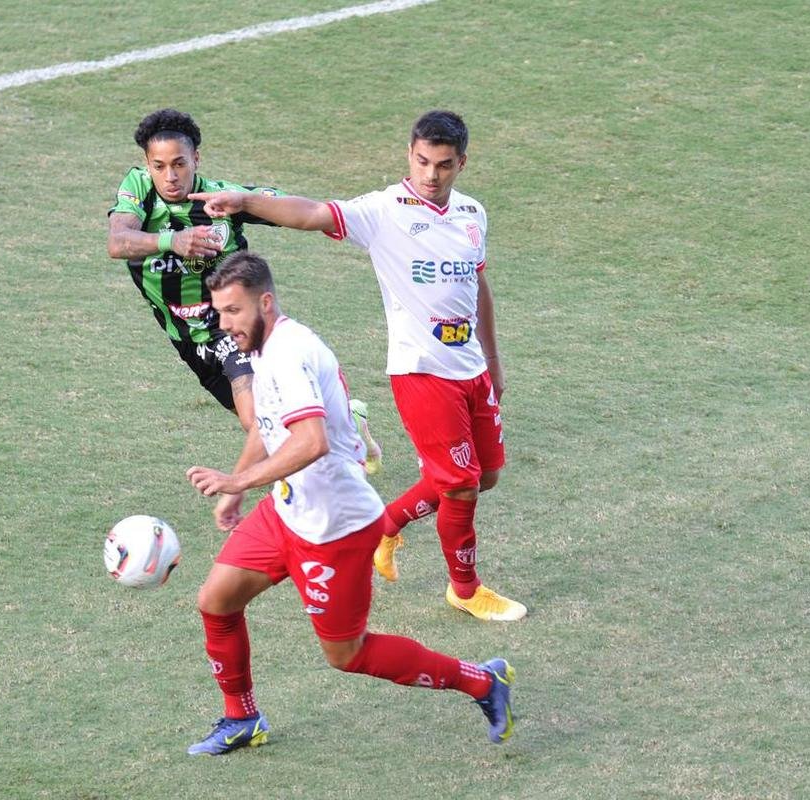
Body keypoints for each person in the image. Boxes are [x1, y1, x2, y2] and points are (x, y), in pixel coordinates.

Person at [193, 110, 524, 621]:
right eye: (421, 161)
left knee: (485, 477)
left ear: (462, 162)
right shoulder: (384, 210)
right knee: (458, 483)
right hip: (421, 371)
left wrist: (494, 364)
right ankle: (464, 588)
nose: (430, 175)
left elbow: (478, 287)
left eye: (442, 165)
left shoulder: (472, 214)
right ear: (408, 155)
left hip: (471, 368)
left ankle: (385, 527)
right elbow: (312, 214)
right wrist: (244, 202)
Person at [183, 252, 514, 755]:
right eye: (220, 312)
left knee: (347, 653)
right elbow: (268, 425)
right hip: (286, 512)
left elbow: (310, 440)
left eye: (232, 311)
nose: (225, 325)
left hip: (333, 528)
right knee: (216, 601)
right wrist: (238, 489)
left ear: (265, 302)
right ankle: (241, 717)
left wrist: (238, 479)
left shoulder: (290, 352)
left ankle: (483, 683)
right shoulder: (264, 345)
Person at [106, 109, 382, 472]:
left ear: (196, 159)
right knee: (271, 414)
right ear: (146, 164)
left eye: (179, 164)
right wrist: (173, 241)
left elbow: (295, 208)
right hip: (187, 337)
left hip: (233, 323)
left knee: (256, 420)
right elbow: (118, 241)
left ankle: (305, 488)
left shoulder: (221, 200)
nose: (170, 176)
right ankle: (349, 417)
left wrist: (251, 202)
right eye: (159, 166)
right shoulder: (139, 190)